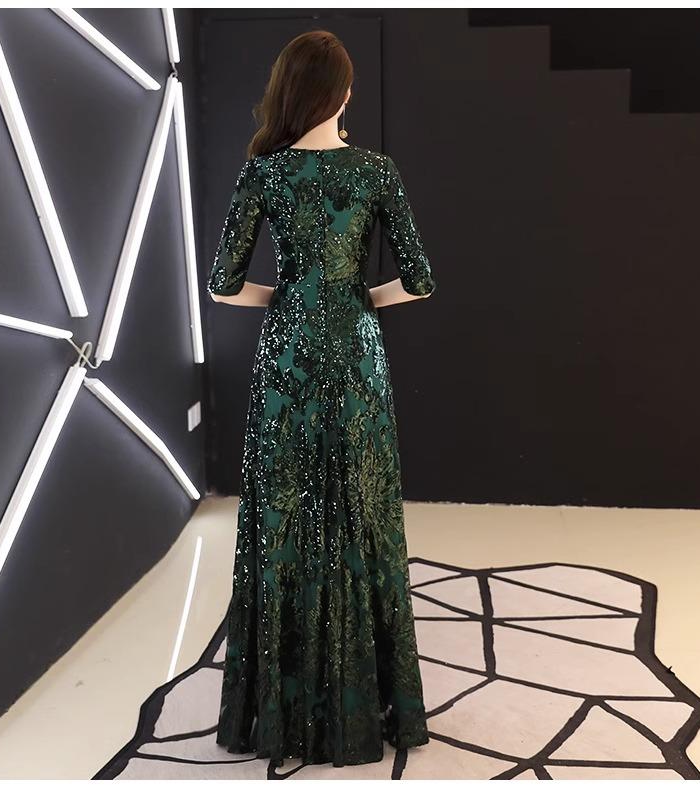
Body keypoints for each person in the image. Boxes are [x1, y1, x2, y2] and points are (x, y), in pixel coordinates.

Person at [207, 29, 436, 769]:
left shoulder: (263, 174)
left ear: (289, 93)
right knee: (361, 509)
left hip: (287, 356)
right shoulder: (376, 171)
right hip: (356, 355)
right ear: (342, 94)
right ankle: (366, 701)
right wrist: (356, 299)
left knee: (284, 514)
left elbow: (223, 286)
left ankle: (279, 711)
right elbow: (419, 280)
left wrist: (289, 299)